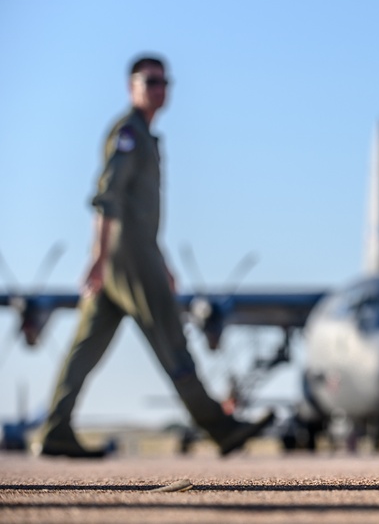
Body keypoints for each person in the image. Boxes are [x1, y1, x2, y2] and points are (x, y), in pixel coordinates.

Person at [36, 54, 272, 458]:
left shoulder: (144, 135)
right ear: (132, 87)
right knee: (172, 341)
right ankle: (221, 428)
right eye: (150, 81)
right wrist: (100, 255)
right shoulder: (129, 133)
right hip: (126, 255)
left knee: (86, 346)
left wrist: (160, 260)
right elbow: (107, 196)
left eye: (165, 82)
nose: (159, 89)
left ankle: (54, 429)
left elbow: (140, 214)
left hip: (132, 253)